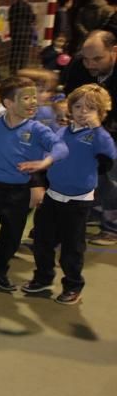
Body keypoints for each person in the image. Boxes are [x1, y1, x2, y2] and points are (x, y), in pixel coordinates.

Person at [0, 75, 68, 293]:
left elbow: (61, 148)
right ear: (8, 103)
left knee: (11, 238)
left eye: (34, 97)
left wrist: (45, 161)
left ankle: (0, 270)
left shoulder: (38, 129)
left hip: (19, 192)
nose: (33, 102)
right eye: (26, 98)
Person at [22, 84, 116, 304]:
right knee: (42, 241)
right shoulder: (61, 131)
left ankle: (73, 285)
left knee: (72, 249)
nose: (83, 111)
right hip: (53, 196)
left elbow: (110, 156)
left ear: (100, 113)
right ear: (70, 108)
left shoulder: (97, 136)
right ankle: (43, 277)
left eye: (91, 108)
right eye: (79, 106)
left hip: (77, 203)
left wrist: (99, 129)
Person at [64, 30, 117, 246]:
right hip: (91, 127)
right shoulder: (78, 67)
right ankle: (95, 213)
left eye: (97, 59)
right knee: (92, 173)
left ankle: (112, 227)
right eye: (86, 59)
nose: (90, 65)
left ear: (114, 51)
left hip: (110, 127)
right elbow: (71, 95)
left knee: (112, 176)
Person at [7, 0, 36, 75]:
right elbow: (32, 19)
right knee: (24, 53)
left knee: (14, 52)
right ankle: (22, 70)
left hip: (15, 33)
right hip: (25, 34)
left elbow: (10, 19)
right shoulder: (28, 7)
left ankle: (12, 70)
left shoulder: (13, 7)